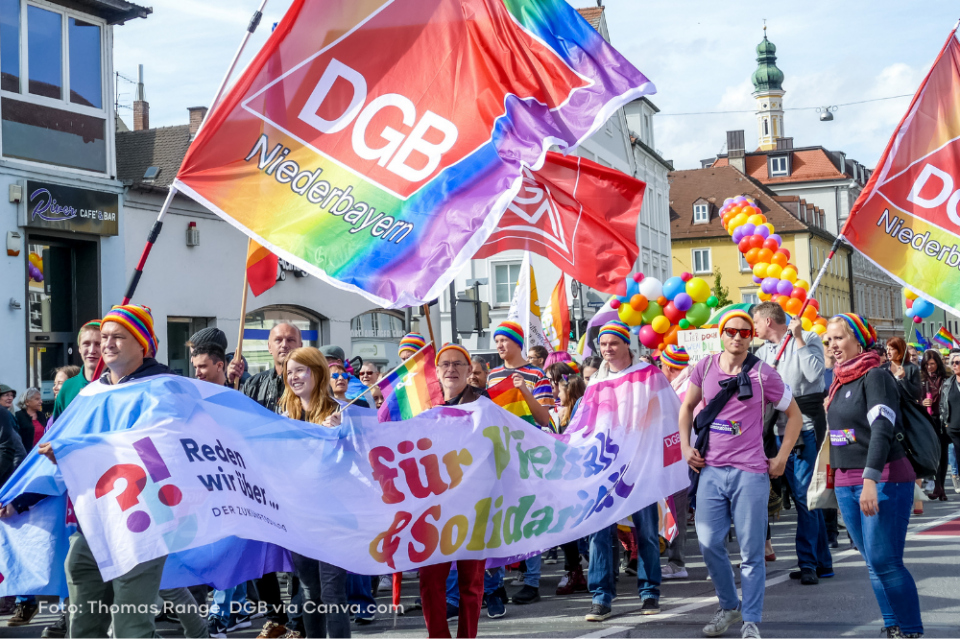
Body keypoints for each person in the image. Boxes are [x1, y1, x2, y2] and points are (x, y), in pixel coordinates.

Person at [12, 305, 174, 638]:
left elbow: (158, 449)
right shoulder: (91, 392)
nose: (107, 344)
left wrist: (80, 452)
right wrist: (20, 499)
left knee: (131, 627)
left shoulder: (162, 386)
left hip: (141, 520)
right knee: (83, 625)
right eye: (105, 337)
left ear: (142, 343)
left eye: (118, 337)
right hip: (93, 520)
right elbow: (55, 451)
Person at [679, 310, 802, 639]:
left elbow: (795, 416)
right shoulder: (704, 367)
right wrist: (684, 446)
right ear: (722, 333)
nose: (737, 336)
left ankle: (750, 620)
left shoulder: (764, 375)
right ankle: (729, 605)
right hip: (711, 471)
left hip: (750, 472)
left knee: (751, 551)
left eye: (745, 332)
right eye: (731, 331)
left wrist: (781, 456)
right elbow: (687, 407)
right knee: (707, 542)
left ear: (752, 337)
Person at [824, 314, 923, 638]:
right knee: (872, 562)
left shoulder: (875, 376)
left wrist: (870, 479)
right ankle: (892, 625)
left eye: (838, 338)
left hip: (883, 478)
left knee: (885, 560)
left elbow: (882, 429)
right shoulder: (839, 380)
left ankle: (910, 630)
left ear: (858, 339)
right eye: (828, 340)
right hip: (846, 481)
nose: (832, 345)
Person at [580, 321, 663, 621]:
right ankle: (601, 597)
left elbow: (667, 413)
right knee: (599, 533)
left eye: (613, 343)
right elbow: (584, 425)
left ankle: (650, 592)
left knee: (647, 532)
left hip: (640, 469)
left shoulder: (647, 376)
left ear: (626, 344)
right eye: (603, 345)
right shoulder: (596, 384)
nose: (607, 349)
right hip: (605, 469)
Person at [228, 323, 302, 638]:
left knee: (301, 557)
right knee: (257, 550)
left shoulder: (311, 381)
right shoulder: (254, 384)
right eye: (278, 339)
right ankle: (276, 615)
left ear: (301, 344)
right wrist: (228, 383)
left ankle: (299, 623)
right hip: (259, 485)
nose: (284, 344)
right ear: (269, 347)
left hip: (299, 485)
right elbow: (232, 422)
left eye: (290, 339)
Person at [753, 302, 832, 585]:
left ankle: (808, 562)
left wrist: (798, 338)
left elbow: (815, 375)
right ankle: (822, 561)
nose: (754, 328)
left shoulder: (807, 338)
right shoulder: (763, 353)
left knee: (803, 497)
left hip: (804, 429)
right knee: (802, 496)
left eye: (756, 322)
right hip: (775, 430)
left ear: (768, 321)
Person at [417, 343, 489, 638]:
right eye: (445, 363)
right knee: (431, 581)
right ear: (436, 371)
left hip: (474, 507)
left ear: (469, 369)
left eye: (458, 363)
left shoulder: (485, 407)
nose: (451, 369)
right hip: (433, 509)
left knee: (471, 583)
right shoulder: (421, 409)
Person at [278, 347, 350, 638]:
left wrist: (342, 434)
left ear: (317, 372)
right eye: (289, 371)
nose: (293, 377)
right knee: (310, 594)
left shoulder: (340, 411)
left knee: (332, 595)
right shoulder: (284, 416)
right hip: (301, 518)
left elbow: (358, 462)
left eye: (300, 370)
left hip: (335, 517)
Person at [486, 321, 554, 605]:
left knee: (531, 515)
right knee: (499, 517)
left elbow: (544, 419)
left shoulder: (537, 374)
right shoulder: (492, 376)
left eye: (504, 340)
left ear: (517, 342)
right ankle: (496, 584)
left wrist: (524, 390)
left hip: (528, 453)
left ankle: (532, 581)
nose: (499, 346)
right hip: (498, 454)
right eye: (497, 341)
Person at [658, 344, 692, 580]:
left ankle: (677, 562)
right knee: (673, 510)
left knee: (679, 511)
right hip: (673, 456)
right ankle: (674, 560)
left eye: (662, 365)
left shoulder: (688, 386)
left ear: (669, 366)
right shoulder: (676, 385)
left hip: (685, 457)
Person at [884, 337, 923, 514]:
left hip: (905, 418)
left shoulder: (912, 369)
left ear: (900, 350)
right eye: (887, 348)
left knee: (908, 456)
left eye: (892, 349)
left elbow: (916, 393)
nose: (888, 352)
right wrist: (892, 377)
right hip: (888, 417)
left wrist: (903, 380)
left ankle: (914, 499)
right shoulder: (882, 369)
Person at [51, 321, 102, 421]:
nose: (92, 350)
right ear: (79, 348)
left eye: (98, 344)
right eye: (86, 344)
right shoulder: (67, 387)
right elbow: (57, 430)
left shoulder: (116, 384)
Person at [920, 349, 950, 501]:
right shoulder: (921, 380)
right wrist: (921, 402)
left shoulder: (946, 379)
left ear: (938, 363)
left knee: (943, 454)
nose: (929, 367)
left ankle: (941, 487)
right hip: (928, 419)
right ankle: (937, 485)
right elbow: (913, 399)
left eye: (932, 364)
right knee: (933, 454)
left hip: (943, 419)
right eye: (926, 365)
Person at [941, 351, 960, 494]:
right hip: (954, 429)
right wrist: (946, 424)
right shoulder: (948, 384)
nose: (955, 365)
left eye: (958, 362)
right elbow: (943, 405)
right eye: (953, 363)